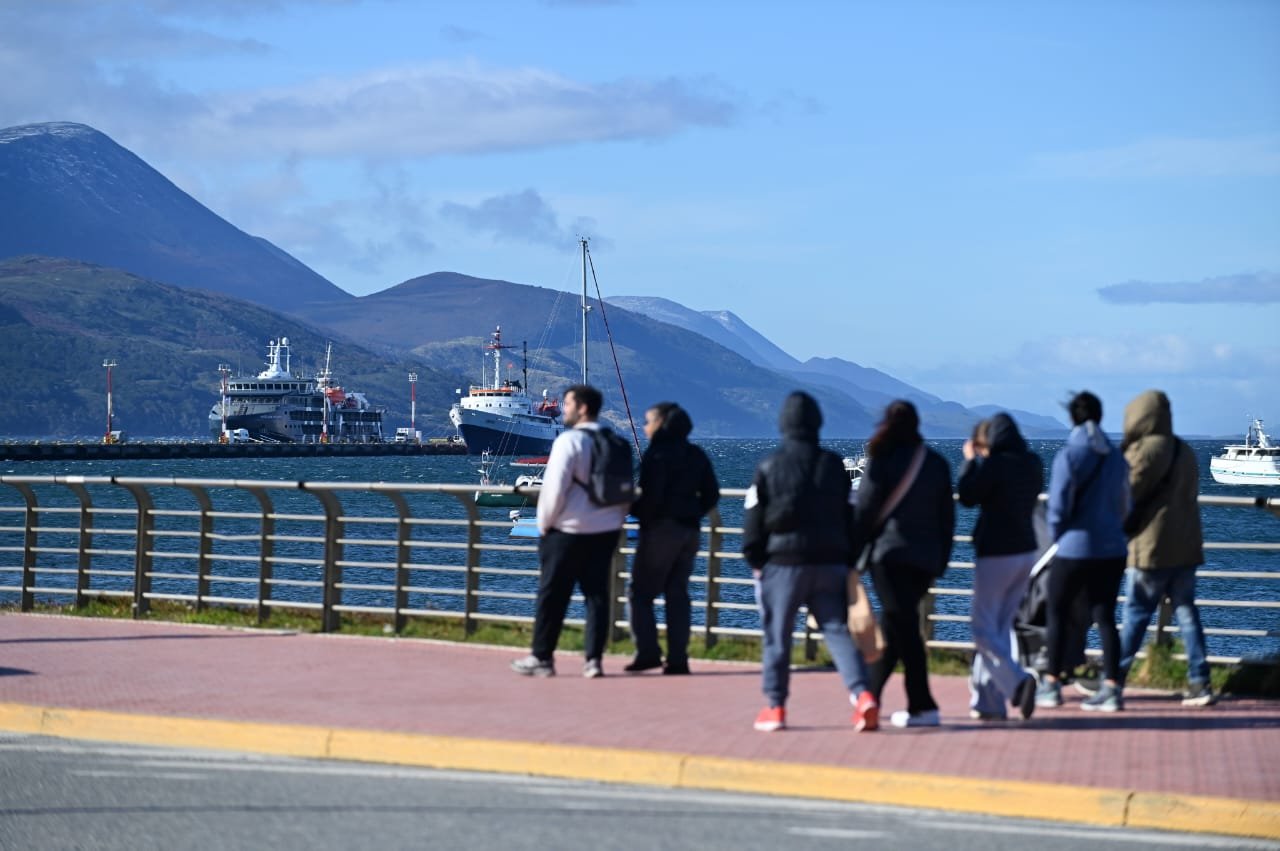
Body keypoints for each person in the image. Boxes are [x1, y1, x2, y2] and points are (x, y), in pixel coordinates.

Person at [742, 391, 877, 733]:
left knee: (778, 636)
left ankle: (775, 706)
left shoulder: (769, 466)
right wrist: (849, 559)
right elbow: (852, 517)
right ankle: (862, 695)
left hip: (783, 564)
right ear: (818, 423)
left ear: (784, 424)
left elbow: (754, 521)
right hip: (830, 561)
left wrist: (757, 559)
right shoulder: (833, 465)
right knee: (836, 630)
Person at [511, 384, 629, 679]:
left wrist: (544, 524)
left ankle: (542, 657)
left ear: (583, 408)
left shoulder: (569, 442)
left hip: (568, 531)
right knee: (597, 597)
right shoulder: (616, 442)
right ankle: (593, 660)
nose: (563, 410)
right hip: (605, 532)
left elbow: (554, 490)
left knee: (552, 595)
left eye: (567, 404)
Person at [856, 400, 954, 728]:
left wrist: (852, 553)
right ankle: (869, 697)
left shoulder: (881, 458)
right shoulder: (936, 463)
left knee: (904, 627)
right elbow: (947, 519)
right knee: (898, 626)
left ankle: (922, 704)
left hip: (889, 557)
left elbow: (866, 510)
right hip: (925, 560)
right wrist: (941, 560)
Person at [1117, 390, 1214, 707]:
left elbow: (1126, 493)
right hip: (1186, 544)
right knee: (1187, 613)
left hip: (1151, 546)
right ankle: (1200, 681)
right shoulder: (1184, 450)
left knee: (1135, 614)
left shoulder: (1143, 450)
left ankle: (1113, 680)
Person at [1035, 391, 1130, 711]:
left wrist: (1060, 537)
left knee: (1057, 612)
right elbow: (1124, 505)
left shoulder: (1069, 455)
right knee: (1104, 615)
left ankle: (1050, 684)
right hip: (1113, 548)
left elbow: (1058, 507)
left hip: (1074, 549)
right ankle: (1113, 687)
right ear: (1100, 416)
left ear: (1073, 418)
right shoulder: (1116, 457)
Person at [957, 413, 1043, 722]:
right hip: (1026, 552)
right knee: (1000, 629)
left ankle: (1018, 683)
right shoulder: (1032, 463)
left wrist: (970, 461)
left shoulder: (995, 465)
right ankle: (987, 701)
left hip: (997, 553)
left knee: (982, 630)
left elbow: (967, 495)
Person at [626, 401, 720, 675]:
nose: (644, 428)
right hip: (689, 532)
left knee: (640, 593)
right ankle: (678, 658)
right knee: (677, 594)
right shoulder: (696, 454)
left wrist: (635, 510)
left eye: (648, 421)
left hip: (660, 531)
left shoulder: (657, 455)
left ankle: (648, 652)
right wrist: (693, 514)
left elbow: (649, 495)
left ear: (661, 424)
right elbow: (712, 494)